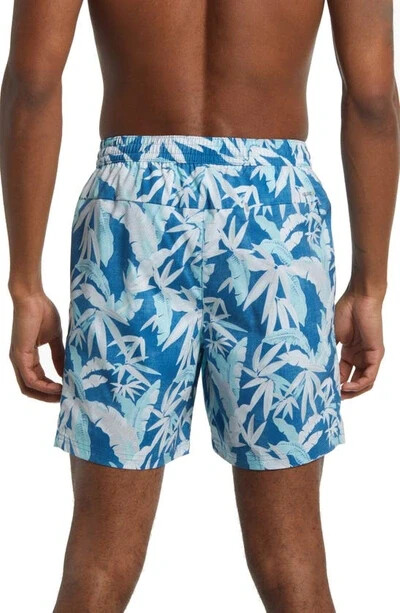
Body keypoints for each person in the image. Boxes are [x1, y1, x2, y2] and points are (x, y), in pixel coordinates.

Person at [1, 1, 398, 611]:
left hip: (133, 209)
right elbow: (373, 98)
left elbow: (30, 85)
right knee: (292, 561)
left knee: (99, 559)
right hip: (274, 220)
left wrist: (25, 284)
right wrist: (370, 286)